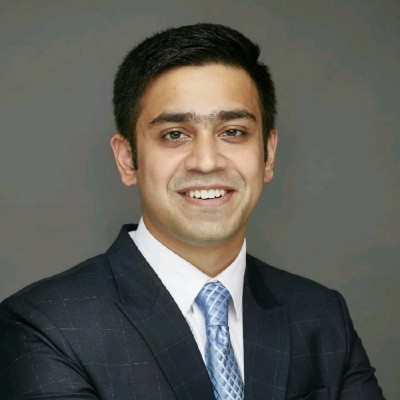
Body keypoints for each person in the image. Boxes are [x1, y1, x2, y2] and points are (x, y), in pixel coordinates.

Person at [0, 23, 383, 400]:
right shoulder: (44, 325)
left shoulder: (321, 314)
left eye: (233, 132)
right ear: (127, 159)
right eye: (174, 135)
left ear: (268, 155)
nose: (206, 161)